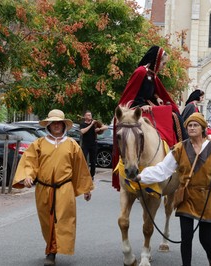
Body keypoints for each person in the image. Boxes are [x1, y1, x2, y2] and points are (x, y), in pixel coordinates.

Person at [133, 112, 211, 266]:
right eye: (189, 125)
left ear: (203, 129)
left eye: (195, 125)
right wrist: (142, 176)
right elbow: (163, 169)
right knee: (186, 237)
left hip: (207, 196)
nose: (192, 128)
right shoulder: (180, 148)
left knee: (205, 239)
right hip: (186, 195)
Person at [12, 109, 94, 266]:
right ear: (48, 125)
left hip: (65, 189)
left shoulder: (72, 145)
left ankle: (52, 252)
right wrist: (28, 176)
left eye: (59, 123)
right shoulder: (39, 144)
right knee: (47, 221)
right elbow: (29, 162)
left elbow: (80, 168)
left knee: (63, 220)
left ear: (64, 125)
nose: (56, 125)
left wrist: (86, 189)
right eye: (53, 123)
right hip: (44, 189)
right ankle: (51, 247)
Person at [113, 45, 185, 190]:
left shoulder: (151, 75)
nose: (163, 67)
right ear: (156, 60)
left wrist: (157, 98)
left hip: (147, 106)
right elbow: (133, 94)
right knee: (170, 115)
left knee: (175, 115)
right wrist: (141, 105)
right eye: (163, 63)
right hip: (136, 109)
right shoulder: (141, 72)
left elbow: (150, 92)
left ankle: (177, 151)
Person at [80, 110, 108, 180]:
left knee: (93, 161)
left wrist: (99, 128)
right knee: (84, 159)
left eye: (90, 115)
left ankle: (91, 175)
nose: (90, 116)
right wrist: (91, 125)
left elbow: (106, 127)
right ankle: (83, 174)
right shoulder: (83, 124)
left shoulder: (95, 123)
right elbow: (82, 131)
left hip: (93, 144)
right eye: (88, 115)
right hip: (85, 144)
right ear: (85, 116)